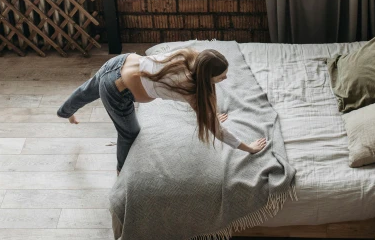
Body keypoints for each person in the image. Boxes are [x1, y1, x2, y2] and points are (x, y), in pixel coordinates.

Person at [57, 48, 266, 172]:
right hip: (117, 90)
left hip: (119, 62)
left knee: (87, 90)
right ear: (206, 77)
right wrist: (249, 148)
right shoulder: (190, 90)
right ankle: (121, 171)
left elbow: (207, 116)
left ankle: (64, 111)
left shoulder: (190, 55)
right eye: (221, 77)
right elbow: (216, 130)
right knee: (129, 133)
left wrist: (208, 116)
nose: (225, 80)